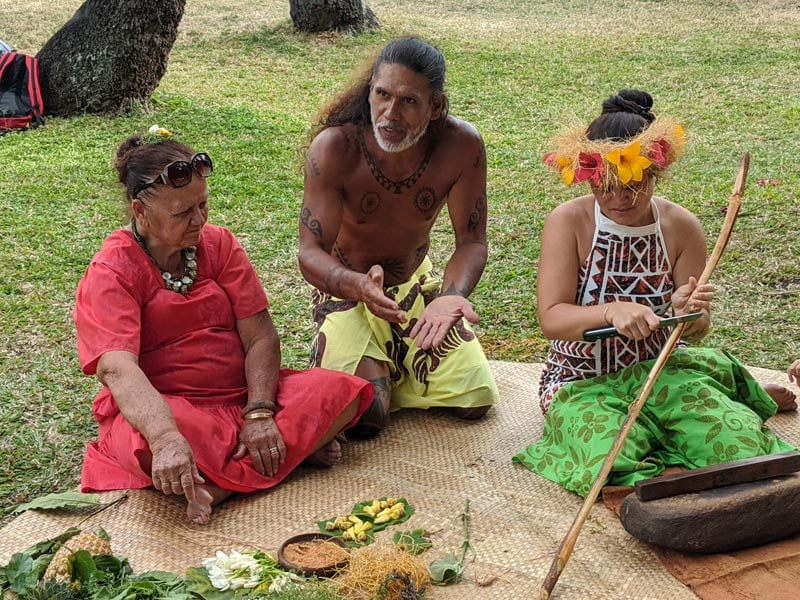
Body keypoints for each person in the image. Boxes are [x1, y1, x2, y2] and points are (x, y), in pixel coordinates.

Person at [74, 128, 372, 524]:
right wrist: (165, 439)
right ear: (140, 212)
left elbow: (260, 335)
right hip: (173, 411)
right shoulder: (112, 270)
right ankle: (285, 456)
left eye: (203, 205)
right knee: (143, 440)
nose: (199, 220)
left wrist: (260, 413)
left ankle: (220, 486)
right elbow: (118, 368)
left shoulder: (219, 244)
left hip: (242, 397)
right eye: (183, 212)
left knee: (339, 391)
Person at [513, 90, 796, 496]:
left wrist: (689, 313)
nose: (619, 198)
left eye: (633, 183)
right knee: (610, 458)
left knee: (739, 445)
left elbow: (696, 330)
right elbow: (552, 318)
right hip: (580, 381)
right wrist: (610, 311)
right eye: (605, 186)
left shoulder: (681, 227)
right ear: (588, 176)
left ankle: (723, 409)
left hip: (663, 370)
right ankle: (715, 412)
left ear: (655, 172)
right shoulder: (569, 222)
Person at [297, 37, 499, 437]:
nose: (390, 113)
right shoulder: (336, 147)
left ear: (436, 106)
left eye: (408, 101)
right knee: (366, 415)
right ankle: (361, 357)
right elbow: (310, 252)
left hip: (412, 288)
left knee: (475, 398)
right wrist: (356, 285)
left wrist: (450, 296)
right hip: (348, 290)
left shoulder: (461, 146)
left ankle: (390, 362)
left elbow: (471, 242)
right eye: (382, 95)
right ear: (369, 90)